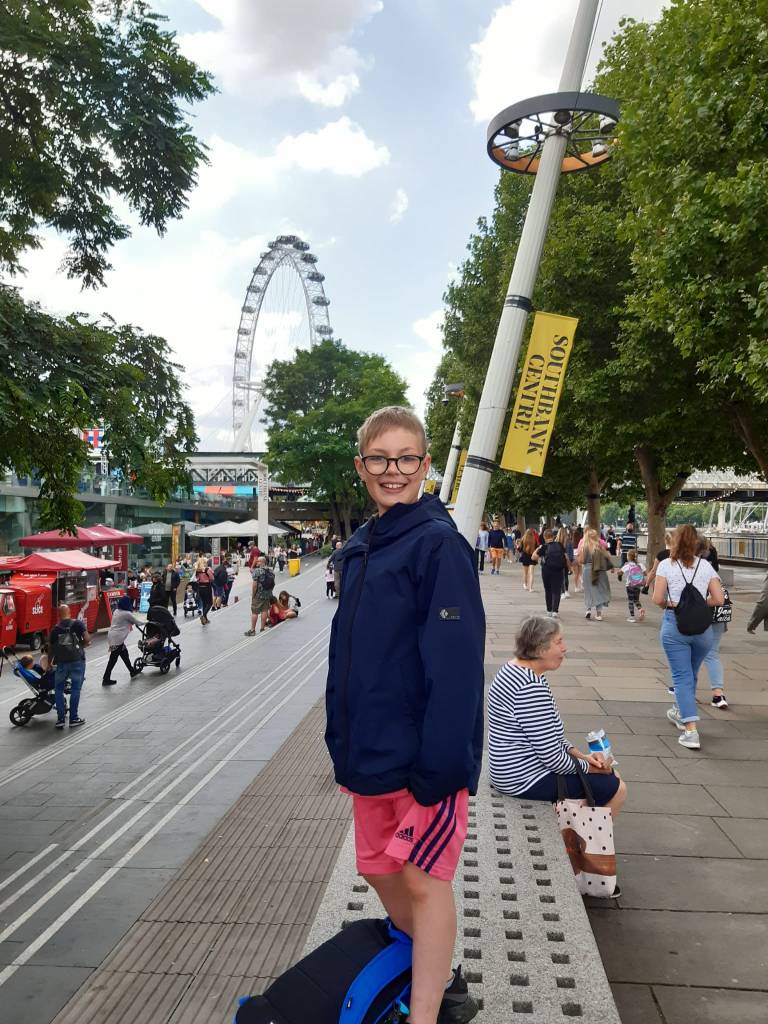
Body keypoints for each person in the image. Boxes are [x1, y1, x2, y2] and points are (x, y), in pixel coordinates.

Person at [325, 405, 484, 1024]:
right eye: (379, 458)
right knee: (376, 868)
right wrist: (341, 739)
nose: (392, 470)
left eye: (406, 458)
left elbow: (456, 668)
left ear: (425, 466)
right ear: (361, 465)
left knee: (422, 879)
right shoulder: (365, 546)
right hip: (370, 750)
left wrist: (441, 767)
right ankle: (436, 967)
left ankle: (429, 1009)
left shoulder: (438, 545)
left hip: (425, 758)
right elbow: (351, 657)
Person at [488, 615, 626, 811]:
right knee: (617, 787)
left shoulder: (515, 669)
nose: (564, 648)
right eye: (558, 642)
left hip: (510, 769)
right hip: (523, 777)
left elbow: (552, 738)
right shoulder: (529, 688)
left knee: (608, 776)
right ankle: (584, 840)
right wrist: (593, 768)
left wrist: (584, 758)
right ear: (539, 648)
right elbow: (552, 758)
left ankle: (575, 832)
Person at [652, 524, 724, 750]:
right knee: (690, 674)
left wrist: (676, 604)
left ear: (675, 541)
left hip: (675, 626)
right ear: (697, 544)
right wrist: (698, 604)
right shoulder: (706, 566)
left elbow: (657, 599)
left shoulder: (666, 565)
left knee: (682, 676)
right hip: (703, 631)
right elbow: (719, 599)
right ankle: (679, 710)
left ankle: (691, 730)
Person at [695, 538, 729, 708]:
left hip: (695, 617)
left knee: (686, 653)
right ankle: (718, 694)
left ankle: (684, 689)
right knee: (712, 654)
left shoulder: (690, 568)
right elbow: (720, 599)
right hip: (716, 617)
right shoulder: (713, 570)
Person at [49, 603, 89, 729]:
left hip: (62, 663)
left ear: (59, 615)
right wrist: (80, 646)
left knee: (59, 690)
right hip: (77, 661)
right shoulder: (78, 624)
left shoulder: (55, 630)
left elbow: (51, 648)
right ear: (70, 612)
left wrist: (50, 662)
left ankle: (60, 719)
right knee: (76, 689)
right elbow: (87, 639)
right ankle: (73, 718)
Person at [102, 595, 143, 686]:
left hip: (113, 636)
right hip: (117, 639)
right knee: (113, 659)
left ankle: (132, 671)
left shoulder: (116, 611)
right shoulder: (126, 614)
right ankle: (106, 678)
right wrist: (147, 622)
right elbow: (137, 622)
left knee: (124, 654)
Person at [532, 528, 570, 618]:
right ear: (553, 537)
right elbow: (566, 557)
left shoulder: (544, 547)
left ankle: (549, 610)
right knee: (556, 591)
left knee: (548, 590)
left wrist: (537, 548)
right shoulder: (560, 545)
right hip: (559, 571)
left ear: (544, 537)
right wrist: (569, 568)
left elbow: (533, 558)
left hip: (546, 571)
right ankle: (555, 611)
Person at [577, 528, 613, 620]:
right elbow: (608, 557)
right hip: (599, 570)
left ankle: (588, 610)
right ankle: (599, 614)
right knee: (599, 591)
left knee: (588, 591)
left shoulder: (584, 547)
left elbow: (581, 561)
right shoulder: (599, 546)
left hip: (588, 570)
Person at [245, 555, 273, 635]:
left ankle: (252, 630)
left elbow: (254, 585)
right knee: (265, 611)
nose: (257, 562)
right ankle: (262, 628)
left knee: (255, 612)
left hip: (258, 595)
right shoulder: (271, 571)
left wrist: (253, 595)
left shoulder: (257, 571)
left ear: (263, 562)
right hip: (267, 595)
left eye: (258, 561)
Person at [623, 548, 646, 623]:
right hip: (638, 585)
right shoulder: (640, 565)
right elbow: (646, 573)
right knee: (636, 600)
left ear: (628, 557)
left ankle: (632, 617)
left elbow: (620, 572)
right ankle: (640, 609)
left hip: (629, 585)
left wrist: (619, 575)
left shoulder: (627, 565)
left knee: (630, 601)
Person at [194, 556, 214, 625]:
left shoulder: (197, 571)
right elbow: (212, 578)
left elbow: (196, 579)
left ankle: (205, 619)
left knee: (204, 603)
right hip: (207, 587)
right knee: (210, 603)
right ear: (204, 563)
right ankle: (203, 616)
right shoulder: (207, 569)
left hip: (200, 588)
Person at [571, 525, 584, 590]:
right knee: (580, 572)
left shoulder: (571, 543)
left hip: (573, 559)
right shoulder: (580, 542)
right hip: (579, 558)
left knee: (575, 574)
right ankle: (582, 583)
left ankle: (576, 587)